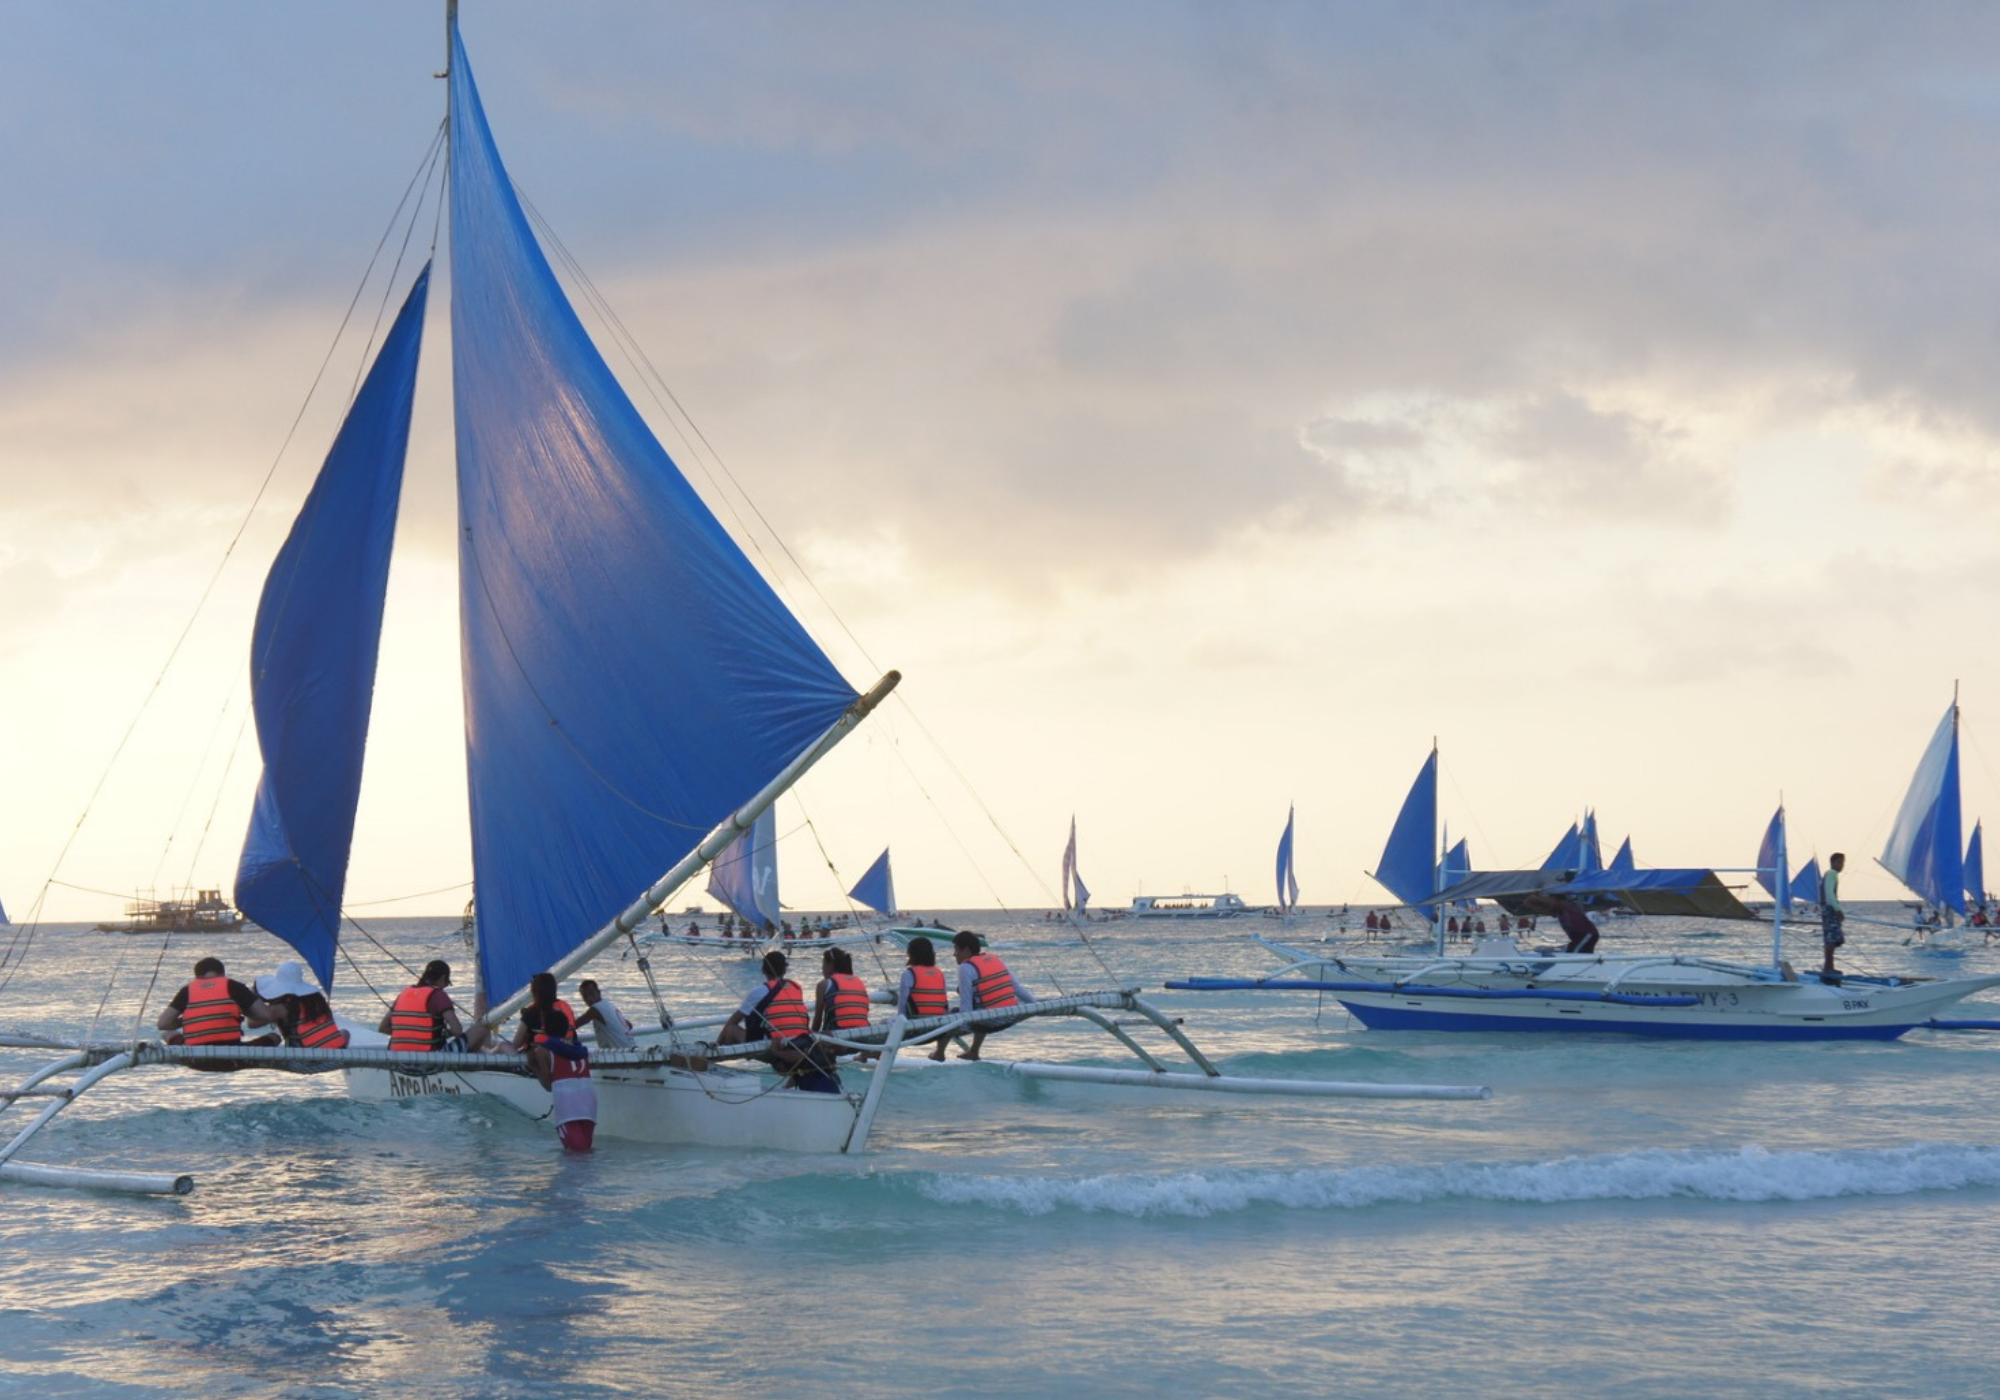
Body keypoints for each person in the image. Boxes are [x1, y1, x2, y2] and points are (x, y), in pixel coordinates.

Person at [511, 972, 595, 1151]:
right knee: (586, 1151)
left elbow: (548, 1085)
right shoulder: (582, 1051)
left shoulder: (544, 1051)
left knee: (574, 1154)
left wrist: (533, 1064)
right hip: (588, 1108)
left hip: (568, 1111)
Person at [717, 951, 816, 1076]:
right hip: (801, 1041)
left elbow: (734, 1021)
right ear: (785, 970)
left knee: (730, 1029)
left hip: (774, 1045)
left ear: (763, 970)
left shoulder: (759, 992)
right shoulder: (796, 987)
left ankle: (714, 1055)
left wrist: (717, 1042)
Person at [156, 957, 278, 1047]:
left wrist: (189, 1020)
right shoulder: (234, 986)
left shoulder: (187, 990)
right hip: (232, 1049)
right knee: (274, 1037)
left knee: (167, 1034)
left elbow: (163, 1024)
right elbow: (266, 1015)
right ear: (222, 974)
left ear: (197, 977)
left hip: (194, 1050)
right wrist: (244, 1011)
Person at [951, 930, 1035, 1061]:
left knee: (950, 1016)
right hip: (1010, 1016)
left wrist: (958, 1027)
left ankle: (939, 1053)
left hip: (990, 1021)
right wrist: (1034, 1007)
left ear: (966, 951)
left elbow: (966, 1007)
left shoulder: (965, 968)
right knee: (980, 1002)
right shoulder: (996, 959)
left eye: (956, 950)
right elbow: (1017, 989)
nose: (954, 954)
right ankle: (973, 1051)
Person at [255, 960, 350, 1049]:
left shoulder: (283, 1007)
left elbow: (252, 1023)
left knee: (275, 1037)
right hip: (335, 1055)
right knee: (345, 1032)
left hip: (303, 1060)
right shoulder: (317, 999)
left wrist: (255, 999)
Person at [379, 959, 466, 1052]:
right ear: (442, 978)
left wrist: (408, 1035)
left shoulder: (404, 994)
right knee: (478, 1027)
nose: (444, 987)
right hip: (429, 1059)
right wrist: (446, 1034)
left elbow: (383, 1028)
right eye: (446, 983)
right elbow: (457, 1030)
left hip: (400, 1059)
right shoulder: (438, 995)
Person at [896, 936, 953, 1061]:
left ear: (911, 954)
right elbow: (944, 1003)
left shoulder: (908, 974)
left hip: (916, 1030)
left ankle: (877, 1053)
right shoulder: (939, 973)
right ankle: (940, 1051)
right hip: (939, 1029)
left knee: (884, 1023)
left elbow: (902, 1006)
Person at [1526, 892, 1600, 954]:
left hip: (1585, 935)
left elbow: (1551, 904)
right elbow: (1550, 911)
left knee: (1574, 955)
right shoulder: (1560, 909)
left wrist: (1536, 898)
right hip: (1580, 937)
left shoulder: (1564, 904)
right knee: (1580, 953)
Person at [573, 978, 636, 1050]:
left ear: (599, 992)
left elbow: (575, 1024)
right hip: (632, 1049)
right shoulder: (610, 1006)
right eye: (585, 997)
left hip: (621, 1054)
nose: (589, 998)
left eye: (591, 993)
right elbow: (629, 1025)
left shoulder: (595, 1009)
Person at [1821, 852, 1847, 982]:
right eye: (1840, 862)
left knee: (1832, 938)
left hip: (1829, 908)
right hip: (1830, 909)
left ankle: (1829, 966)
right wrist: (1837, 909)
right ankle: (1828, 967)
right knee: (1831, 939)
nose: (1842, 865)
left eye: (1843, 862)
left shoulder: (1832, 875)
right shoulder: (1831, 874)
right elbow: (1829, 893)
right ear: (1833, 862)